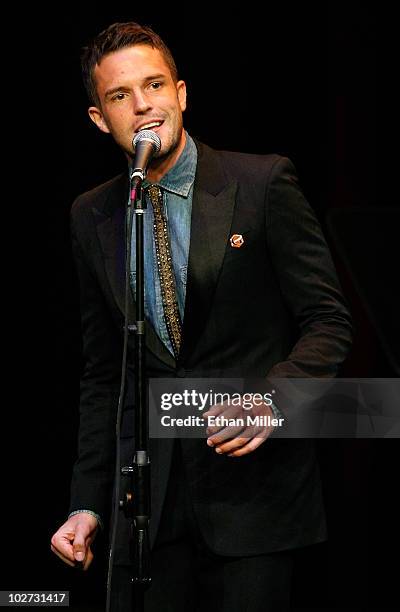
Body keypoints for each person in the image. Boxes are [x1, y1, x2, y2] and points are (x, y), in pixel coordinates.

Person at [51, 21, 353, 611]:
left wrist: (276, 396)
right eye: (120, 96)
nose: (143, 106)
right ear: (98, 118)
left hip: (253, 501)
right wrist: (86, 503)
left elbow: (329, 319)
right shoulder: (92, 215)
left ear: (181, 93)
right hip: (150, 511)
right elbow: (102, 374)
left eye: (155, 85)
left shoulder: (260, 182)